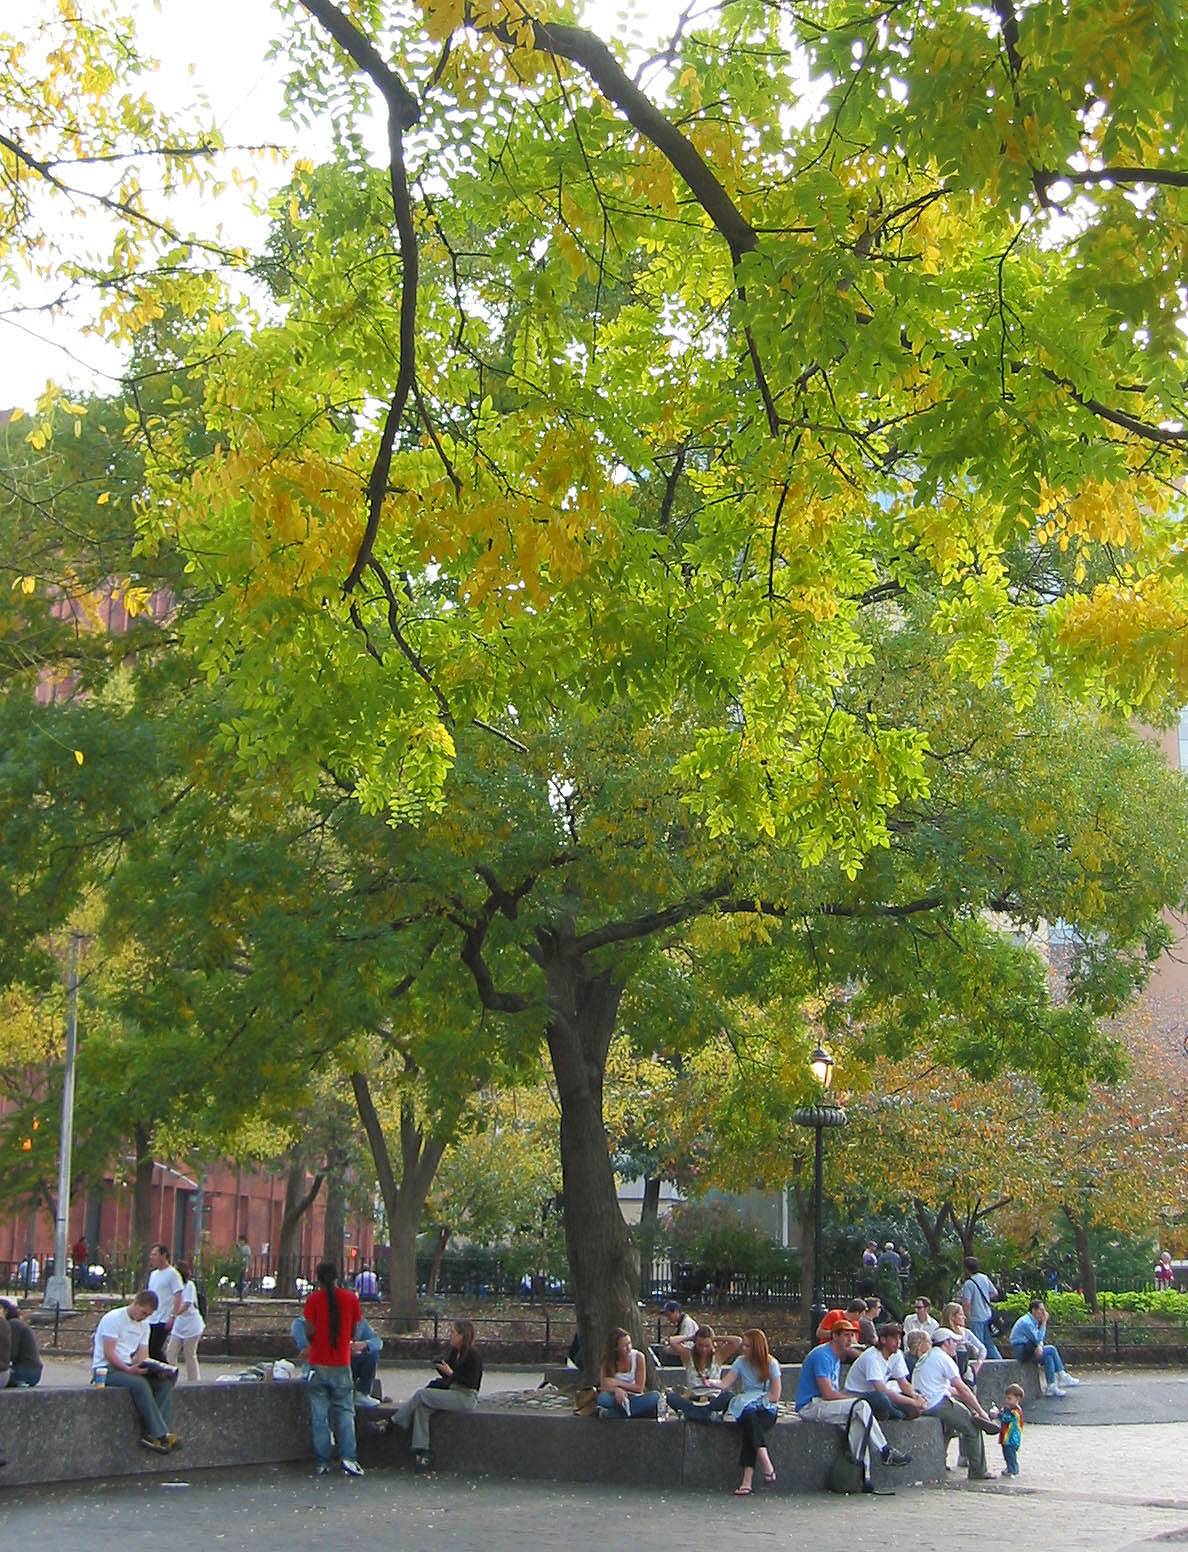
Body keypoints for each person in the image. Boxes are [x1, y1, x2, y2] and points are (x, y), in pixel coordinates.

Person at [795, 1319, 912, 1494]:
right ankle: (885, 1451)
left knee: (860, 1423)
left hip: (823, 1404)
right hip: (810, 1406)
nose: (850, 1339)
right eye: (845, 1335)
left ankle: (865, 1478)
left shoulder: (835, 1356)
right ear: (834, 1336)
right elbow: (828, 1394)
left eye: (852, 1335)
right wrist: (854, 1399)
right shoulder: (822, 1355)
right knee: (861, 1405)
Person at [91, 1290, 178, 1453]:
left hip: (129, 1367)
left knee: (163, 1384)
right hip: (106, 1369)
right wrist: (127, 1369)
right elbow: (109, 1353)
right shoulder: (114, 1318)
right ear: (136, 1303)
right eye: (143, 1312)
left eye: (148, 1315)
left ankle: (159, 1434)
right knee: (139, 1385)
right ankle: (159, 1433)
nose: (144, 1317)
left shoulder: (144, 1325)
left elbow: (143, 1355)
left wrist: (153, 1369)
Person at [391, 1319, 484, 1470]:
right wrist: (440, 1367)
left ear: (462, 1335)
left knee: (422, 1394)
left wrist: (451, 1373)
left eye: (453, 1332)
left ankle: (395, 1422)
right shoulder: (455, 1352)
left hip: (466, 1396)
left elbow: (471, 1382)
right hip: (453, 1391)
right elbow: (448, 1377)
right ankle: (421, 1449)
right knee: (422, 1408)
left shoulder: (473, 1355)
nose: (450, 1336)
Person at [303, 1260, 365, 1477]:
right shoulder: (350, 1299)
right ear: (338, 1277)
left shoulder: (313, 1300)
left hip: (318, 1362)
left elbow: (309, 1330)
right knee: (346, 1412)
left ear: (318, 1279)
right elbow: (355, 1329)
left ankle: (323, 1462)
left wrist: (313, 1341)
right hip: (342, 1363)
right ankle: (349, 1458)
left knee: (320, 1416)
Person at [910, 1326, 997, 1480]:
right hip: (936, 1404)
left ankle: (942, 1460)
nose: (957, 1345)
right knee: (972, 1426)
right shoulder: (944, 1359)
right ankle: (978, 1470)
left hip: (924, 1402)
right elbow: (962, 1389)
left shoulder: (928, 1356)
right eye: (954, 1342)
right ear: (946, 1342)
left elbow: (944, 1388)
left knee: (954, 1422)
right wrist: (980, 1411)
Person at [714, 1327, 781, 1494]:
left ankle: (747, 1481)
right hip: (745, 1407)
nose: (743, 1349)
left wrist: (759, 1401)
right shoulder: (740, 1362)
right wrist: (710, 1383)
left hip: (766, 1408)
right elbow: (725, 1383)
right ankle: (766, 1464)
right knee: (750, 1418)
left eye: (747, 1346)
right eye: (743, 1345)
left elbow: (775, 1395)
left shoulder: (771, 1364)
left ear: (757, 1347)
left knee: (751, 1426)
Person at [844, 1323, 927, 1422]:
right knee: (881, 1398)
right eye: (894, 1339)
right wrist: (913, 1402)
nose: (898, 1342)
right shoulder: (871, 1357)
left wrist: (916, 1396)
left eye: (899, 1339)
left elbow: (903, 1383)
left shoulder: (897, 1355)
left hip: (883, 1394)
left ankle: (897, 1413)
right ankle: (898, 1415)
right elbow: (882, 1390)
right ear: (883, 1340)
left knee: (916, 1395)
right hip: (860, 1395)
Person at [665, 1325, 741, 1420]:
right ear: (695, 1343)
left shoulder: (718, 1356)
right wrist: (692, 1337)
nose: (704, 1349)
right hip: (693, 1398)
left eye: (707, 1346)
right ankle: (702, 1414)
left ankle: (699, 1414)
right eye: (700, 1345)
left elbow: (737, 1341)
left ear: (712, 1344)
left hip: (712, 1399)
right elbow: (672, 1341)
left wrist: (715, 1338)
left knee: (729, 1396)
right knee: (671, 1397)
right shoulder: (688, 1355)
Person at [1009, 1298, 1080, 1397]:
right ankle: (1062, 1375)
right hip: (1022, 1351)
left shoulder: (1031, 1320)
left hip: (1028, 1348)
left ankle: (1051, 1386)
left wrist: (1040, 1346)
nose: (1044, 1313)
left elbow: (1038, 1340)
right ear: (1033, 1310)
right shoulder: (1027, 1323)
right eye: (1041, 1310)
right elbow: (1038, 1338)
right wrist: (1044, 1323)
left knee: (1048, 1357)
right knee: (1051, 1349)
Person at [595, 1327, 663, 1419]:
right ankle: (638, 1412)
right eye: (624, 1346)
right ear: (616, 1348)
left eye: (629, 1344)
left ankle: (613, 1414)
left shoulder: (638, 1357)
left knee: (656, 1396)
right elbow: (604, 1386)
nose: (629, 1348)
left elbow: (639, 1388)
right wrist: (616, 1390)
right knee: (603, 1398)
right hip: (616, 1397)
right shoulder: (607, 1361)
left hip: (634, 1397)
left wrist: (617, 1383)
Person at [164, 1259, 205, 1382]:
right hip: (179, 1325)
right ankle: (171, 1378)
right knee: (170, 1352)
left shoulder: (189, 1286)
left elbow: (186, 1304)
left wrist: (173, 1314)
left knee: (189, 1354)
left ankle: (193, 1380)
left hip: (192, 1325)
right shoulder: (173, 1287)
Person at [146, 1244, 183, 1364]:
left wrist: (173, 1316)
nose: (152, 1257)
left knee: (154, 1348)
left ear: (164, 1255)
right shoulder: (153, 1274)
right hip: (151, 1317)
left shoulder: (172, 1274)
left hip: (163, 1318)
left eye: (155, 1254)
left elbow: (178, 1296)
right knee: (148, 1349)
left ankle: (168, 1371)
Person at [959, 1256, 1002, 1359]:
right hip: (987, 1315)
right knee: (989, 1343)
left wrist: (967, 1318)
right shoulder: (984, 1277)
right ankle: (999, 1362)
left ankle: (981, 1366)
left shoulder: (969, 1284)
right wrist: (985, 1297)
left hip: (976, 1317)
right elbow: (995, 1293)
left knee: (978, 1344)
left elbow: (967, 1303)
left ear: (966, 1268)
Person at [0, 1298, 43, 1387]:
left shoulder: (13, 1324)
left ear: (6, 1311)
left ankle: (19, 1383)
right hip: (30, 1370)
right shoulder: (13, 1323)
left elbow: (11, 1353)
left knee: (3, 1375)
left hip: (27, 1371)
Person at [942, 1301, 986, 1384]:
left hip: (964, 1372)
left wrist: (977, 1365)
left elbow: (982, 1349)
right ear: (952, 1317)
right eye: (961, 1314)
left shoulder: (966, 1332)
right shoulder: (942, 1333)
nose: (964, 1317)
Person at [999, 1381, 1025, 1476]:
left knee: (1011, 1455)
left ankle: (1013, 1469)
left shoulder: (1015, 1411)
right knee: (1006, 1454)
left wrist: (999, 1414)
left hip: (1011, 1438)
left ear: (1017, 1398)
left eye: (1009, 1398)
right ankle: (1009, 1467)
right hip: (1006, 1437)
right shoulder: (1010, 1410)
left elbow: (1007, 1419)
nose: (1007, 1400)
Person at [235, 1235, 251, 1300]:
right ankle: (238, 1293)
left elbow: (246, 1256)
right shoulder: (239, 1247)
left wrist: (247, 1266)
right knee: (238, 1280)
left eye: (241, 1240)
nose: (240, 1242)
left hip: (243, 1266)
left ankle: (241, 1294)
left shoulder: (246, 1248)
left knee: (241, 1279)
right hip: (238, 1265)